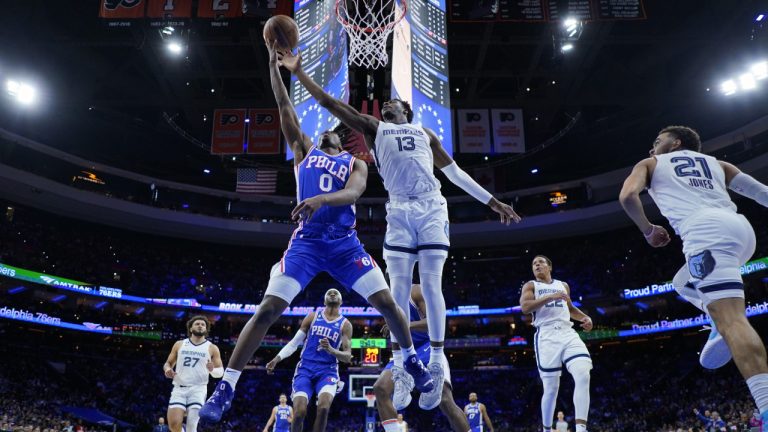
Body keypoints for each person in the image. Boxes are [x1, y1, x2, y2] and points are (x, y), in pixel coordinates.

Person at [198, 40, 434, 423]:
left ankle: (412, 362)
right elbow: (284, 106)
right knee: (268, 309)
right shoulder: (303, 150)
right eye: (322, 131)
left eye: (332, 132)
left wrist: (321, 201)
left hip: (344, 246)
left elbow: (355, 193)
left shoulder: (355, 163)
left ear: (341, 139)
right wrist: (277, 67)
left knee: (389, 302)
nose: (325, 132)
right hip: (306, 245)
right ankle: (227, 385)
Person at [278, 47, 520, 410]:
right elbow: (330, 103)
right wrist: (298, 74)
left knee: (434, 283)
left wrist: (492, 201)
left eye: (394, 102)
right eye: (385, 102)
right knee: (399, 293)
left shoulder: (425, 134)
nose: (387, 103)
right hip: (400, 210)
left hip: (431, 206)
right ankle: (404, 365)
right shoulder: (375, 129)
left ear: (407, 110)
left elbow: (455, 174)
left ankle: (436, 360)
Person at [619, 125, 768, 428]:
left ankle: (766, 410)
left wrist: (648, 230)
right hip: (741, 232)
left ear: (675, 143)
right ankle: (713, 319)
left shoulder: (650, 164)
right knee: (682, 282)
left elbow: (627, 197)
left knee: (734, 321)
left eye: (657, 141)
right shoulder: (719, 164)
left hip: (705, 234)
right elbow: (762, 193)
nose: (651, 148)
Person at [373, 284, 472, 432]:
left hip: (427, 347)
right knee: (380, 388)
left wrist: (404, 325)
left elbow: (433, 323)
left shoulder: (415, 291)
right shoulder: (384, 297)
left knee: (445, 400)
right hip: (404, 352)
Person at [520, 255, 593, 432]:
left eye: (540, 262)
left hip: (568, 332)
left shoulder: (563, 285)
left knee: (583, 375)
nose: (536, 265)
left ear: (549, 267)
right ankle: (546, 429)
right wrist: (550, 297)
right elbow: (525, 308)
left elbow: (569, 309)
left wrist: (584, 317)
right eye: (534, 264)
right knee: (551, 389)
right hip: (546, 335)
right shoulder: (531, 285)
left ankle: (582, 429)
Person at [265, 289, 351, 432]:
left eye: (336, 293)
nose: (332, 293)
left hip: (327, 371)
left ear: (341, 302)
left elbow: (347, 356)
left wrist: (331, 350)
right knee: (299, 412)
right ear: (324, 301)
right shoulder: (312, 317)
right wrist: (276, 359)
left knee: (323, 407)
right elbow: (294, 343)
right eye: (329, 293)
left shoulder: (345, 324)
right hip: (305, 368)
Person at [163, 316, 223, 432]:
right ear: (190, 328)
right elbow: (167, 363)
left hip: (198, 389)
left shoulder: (212, 348)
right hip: (179, 388)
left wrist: (212, 370)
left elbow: (220, 373)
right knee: (174, 425)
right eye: (197, 324)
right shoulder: (179, 344)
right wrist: (167, 370)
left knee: (191, 426)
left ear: (206, 330)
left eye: (203, 325)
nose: (200, 326)